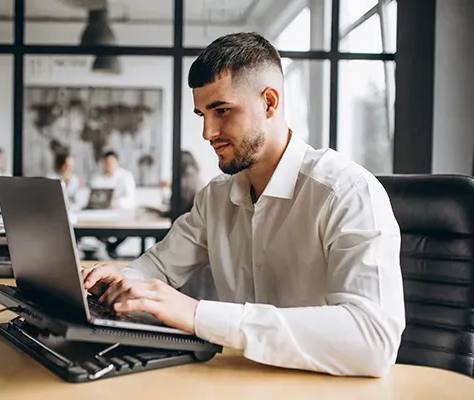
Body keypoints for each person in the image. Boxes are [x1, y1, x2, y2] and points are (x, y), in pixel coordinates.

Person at [83, 32, 405, 377]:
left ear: (269, 102)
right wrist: (115, 283)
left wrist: (197, 315)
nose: (208, 132)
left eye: (221, 111)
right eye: (202, 114)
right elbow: (159, 266)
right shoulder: (216, 197)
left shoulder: (347, 192)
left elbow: (373, 339)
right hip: (238, 379)